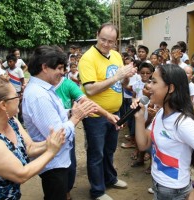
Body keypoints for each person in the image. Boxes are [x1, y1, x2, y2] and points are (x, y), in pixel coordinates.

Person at [133, 64, 194, 200]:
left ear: (170, 88)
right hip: (158, 185)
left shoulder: (183, 123)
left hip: (175, 192)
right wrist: (139, 118)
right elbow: (143, 145)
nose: (149, 86)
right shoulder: (161, 114)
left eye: (154, 81)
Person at [22, 45, 98, 200]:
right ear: (44, 67)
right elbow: (58, 135)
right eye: (59, 68)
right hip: (53, 164)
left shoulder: (44, 89)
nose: (62, 73)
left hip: (57, 160)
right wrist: (76, 117)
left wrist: (70, 113)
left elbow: (54, 115)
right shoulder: (39, 96)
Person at [0, 76, 65, 200]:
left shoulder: (11, 121)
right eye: (16, 95)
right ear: (3, 105)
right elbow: (21, 174)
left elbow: (29, 147)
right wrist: (51, 151)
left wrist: (51, 142)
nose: (20, 97)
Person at [78, 22, 137, 200]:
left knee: (110, 150)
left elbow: (121, 84)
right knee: (96, 153)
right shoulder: (87, 58)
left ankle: (110, 179)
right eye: (103, 39)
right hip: (95, 114)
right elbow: (90, 90)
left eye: (111, 41)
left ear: (116, 42)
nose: (106, 44)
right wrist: (116, 76)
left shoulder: (117, 56)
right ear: (97, 35)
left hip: (115, 112)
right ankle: (97, 191)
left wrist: (126, 78)